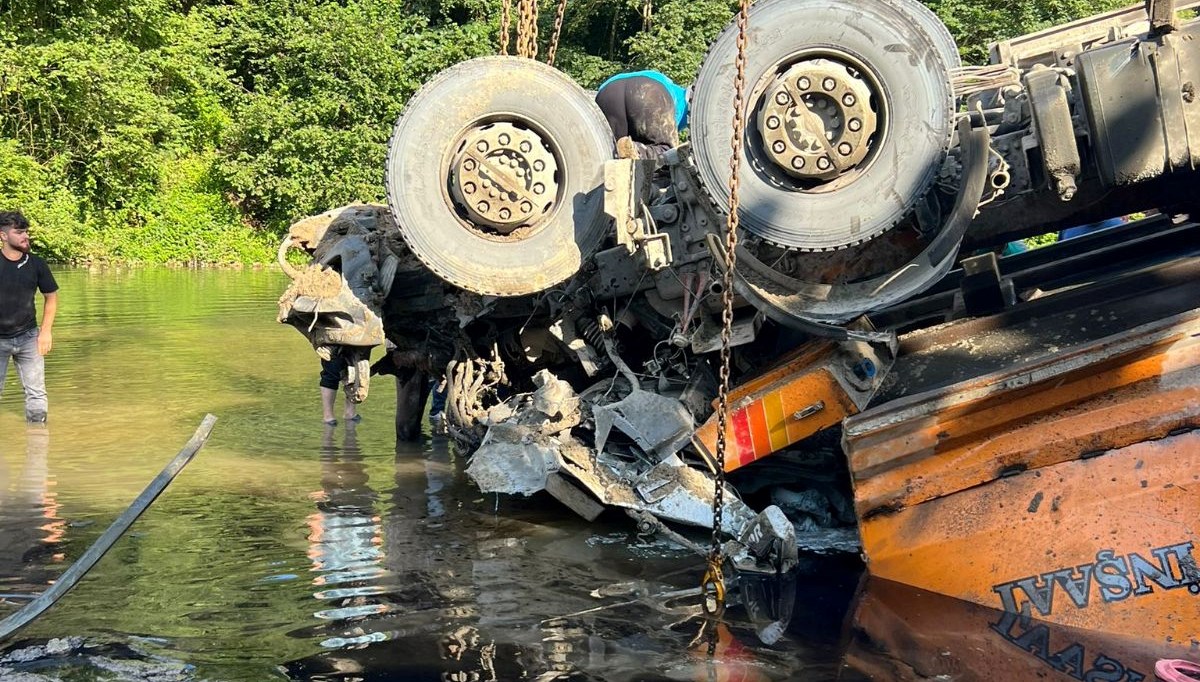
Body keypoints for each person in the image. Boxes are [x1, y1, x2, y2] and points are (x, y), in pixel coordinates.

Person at [0, 211, 58, 423]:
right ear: (3, 236)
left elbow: (51, 298)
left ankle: (38, 441)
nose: (26, 236)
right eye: (19, 232)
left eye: (26, 231)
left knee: (37, 396)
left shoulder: (37, 264)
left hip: (29, 338)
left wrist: (46, 331)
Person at [595, 69, 689, 160]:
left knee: (609, 151)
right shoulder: (691, 106)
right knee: (667, 152)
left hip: (607, 91)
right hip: (650, 90)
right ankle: (637, 150)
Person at [319, 351, 359, 426]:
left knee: (356, 368)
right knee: (331, 369)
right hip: (331, 343)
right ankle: (328, 417)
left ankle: (350, 413)